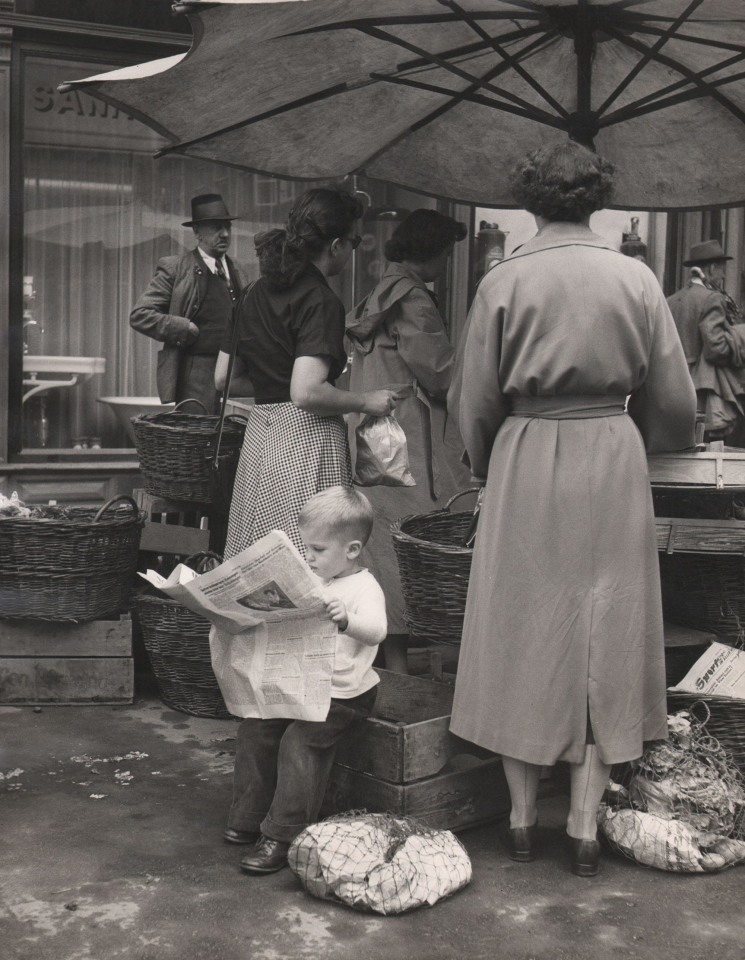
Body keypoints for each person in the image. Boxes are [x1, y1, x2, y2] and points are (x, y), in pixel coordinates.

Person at [448, 141, 697, 878]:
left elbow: (475, 401)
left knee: (521, 627)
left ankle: (523, 819)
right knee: (606, 629)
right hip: (613, 455)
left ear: (530, 202)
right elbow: (675, 402)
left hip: (527, 454)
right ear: (597, 201)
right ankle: (584, 825)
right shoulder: (636, 277)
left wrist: (491, 460)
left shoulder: (502, 279)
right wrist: (639, 440)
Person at [215, 188, 396, 559]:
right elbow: (306, 392)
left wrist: (275, 383)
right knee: (310, 558)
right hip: (306, 440)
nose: (353, 250)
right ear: (334, 245)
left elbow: (224, 379)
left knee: (258, 559)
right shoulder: (321, 300)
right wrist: (367, 401)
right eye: (353, 242)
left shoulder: (251, 293)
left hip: (260, 437)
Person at [223, 485, 387, 875]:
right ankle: (248, 815)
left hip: (345, 695)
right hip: (300, 686)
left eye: (317, 550)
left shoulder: (364, 587)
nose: (308, 557)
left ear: (351, 550)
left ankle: (283, 834)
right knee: (256, 728)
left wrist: (346, 619)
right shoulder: (314, 579)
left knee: (300, 742)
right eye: (305, 548)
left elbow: (378, 631)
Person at [345, 209, 472, 672]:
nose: (446, 262)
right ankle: (442, 670)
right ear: (431, 252)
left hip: (375, 433)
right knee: (426, 545)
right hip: (411, 439)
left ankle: (394, 666)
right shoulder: (414, 298)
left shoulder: (379, 292)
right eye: (446, 252)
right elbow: (439, 376)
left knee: (384, 545)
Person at [130, 193, 247, 414]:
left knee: (233, 441)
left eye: (227, 227)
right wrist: (184, 328)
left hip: (235, 376)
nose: (224, 234)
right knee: (199, 441)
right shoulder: (176, 268)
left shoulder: (238, 271)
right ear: (197, 232)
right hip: (197, 378)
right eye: (215, 227)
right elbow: (140, 314)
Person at [667, 239, 745, 442]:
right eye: (721, 270)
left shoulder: (672, 300)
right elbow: (716, 348)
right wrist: (738, 338)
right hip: (704, 394)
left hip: (673, 390)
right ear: (711, 268)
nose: (724, 276)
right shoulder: (712, 298)